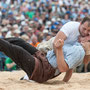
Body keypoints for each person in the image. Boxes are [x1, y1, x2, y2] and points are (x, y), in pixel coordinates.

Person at [0, 36, 89, 83]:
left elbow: (65, 67)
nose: (85, 38)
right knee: (18, 41)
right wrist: (64, 82)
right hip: (43, 60)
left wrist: (59, 49)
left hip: (42, 70)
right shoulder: (77, 47)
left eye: (88, 39)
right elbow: (70, 68)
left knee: (16, 49)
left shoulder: (79, 50)